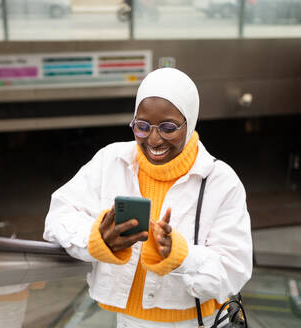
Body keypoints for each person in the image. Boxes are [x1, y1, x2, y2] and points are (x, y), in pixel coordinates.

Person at [44, 68, 253, 328]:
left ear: (190, 123)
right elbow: (57, 218)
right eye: (142, 126)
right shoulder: (111, 161)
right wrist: (98, 238)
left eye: (168, 128)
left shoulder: (221, 181)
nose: (153, 139)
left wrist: (181, 256)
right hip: (126, 321)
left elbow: (234, 271)